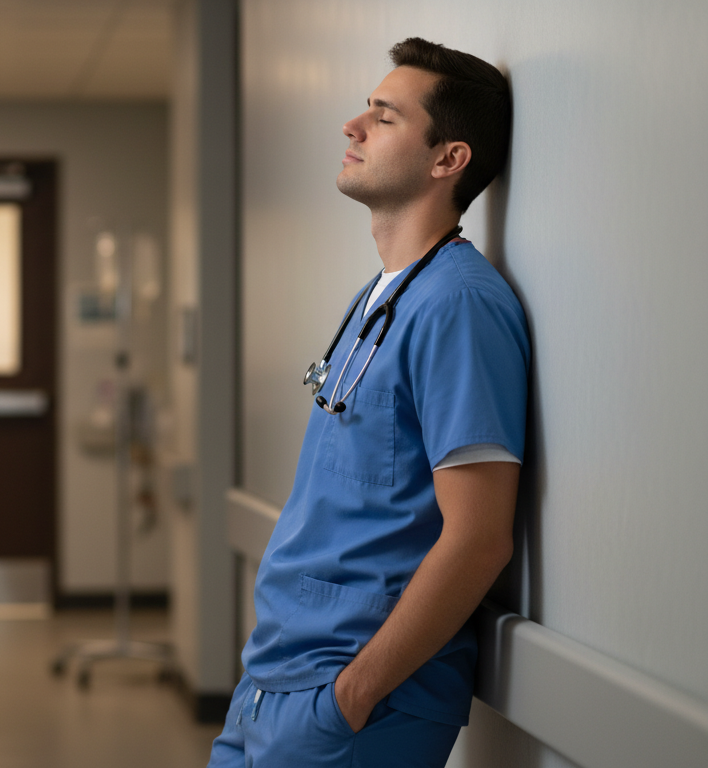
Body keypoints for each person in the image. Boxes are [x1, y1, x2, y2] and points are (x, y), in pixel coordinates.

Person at [207, 38, 527, 768]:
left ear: (449, 159)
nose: (352, 127)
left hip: (354, 701)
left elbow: (479, 537)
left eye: (384, 118)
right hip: (274, 680)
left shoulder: (458, 307)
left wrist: (351, 696)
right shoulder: (379, 299)